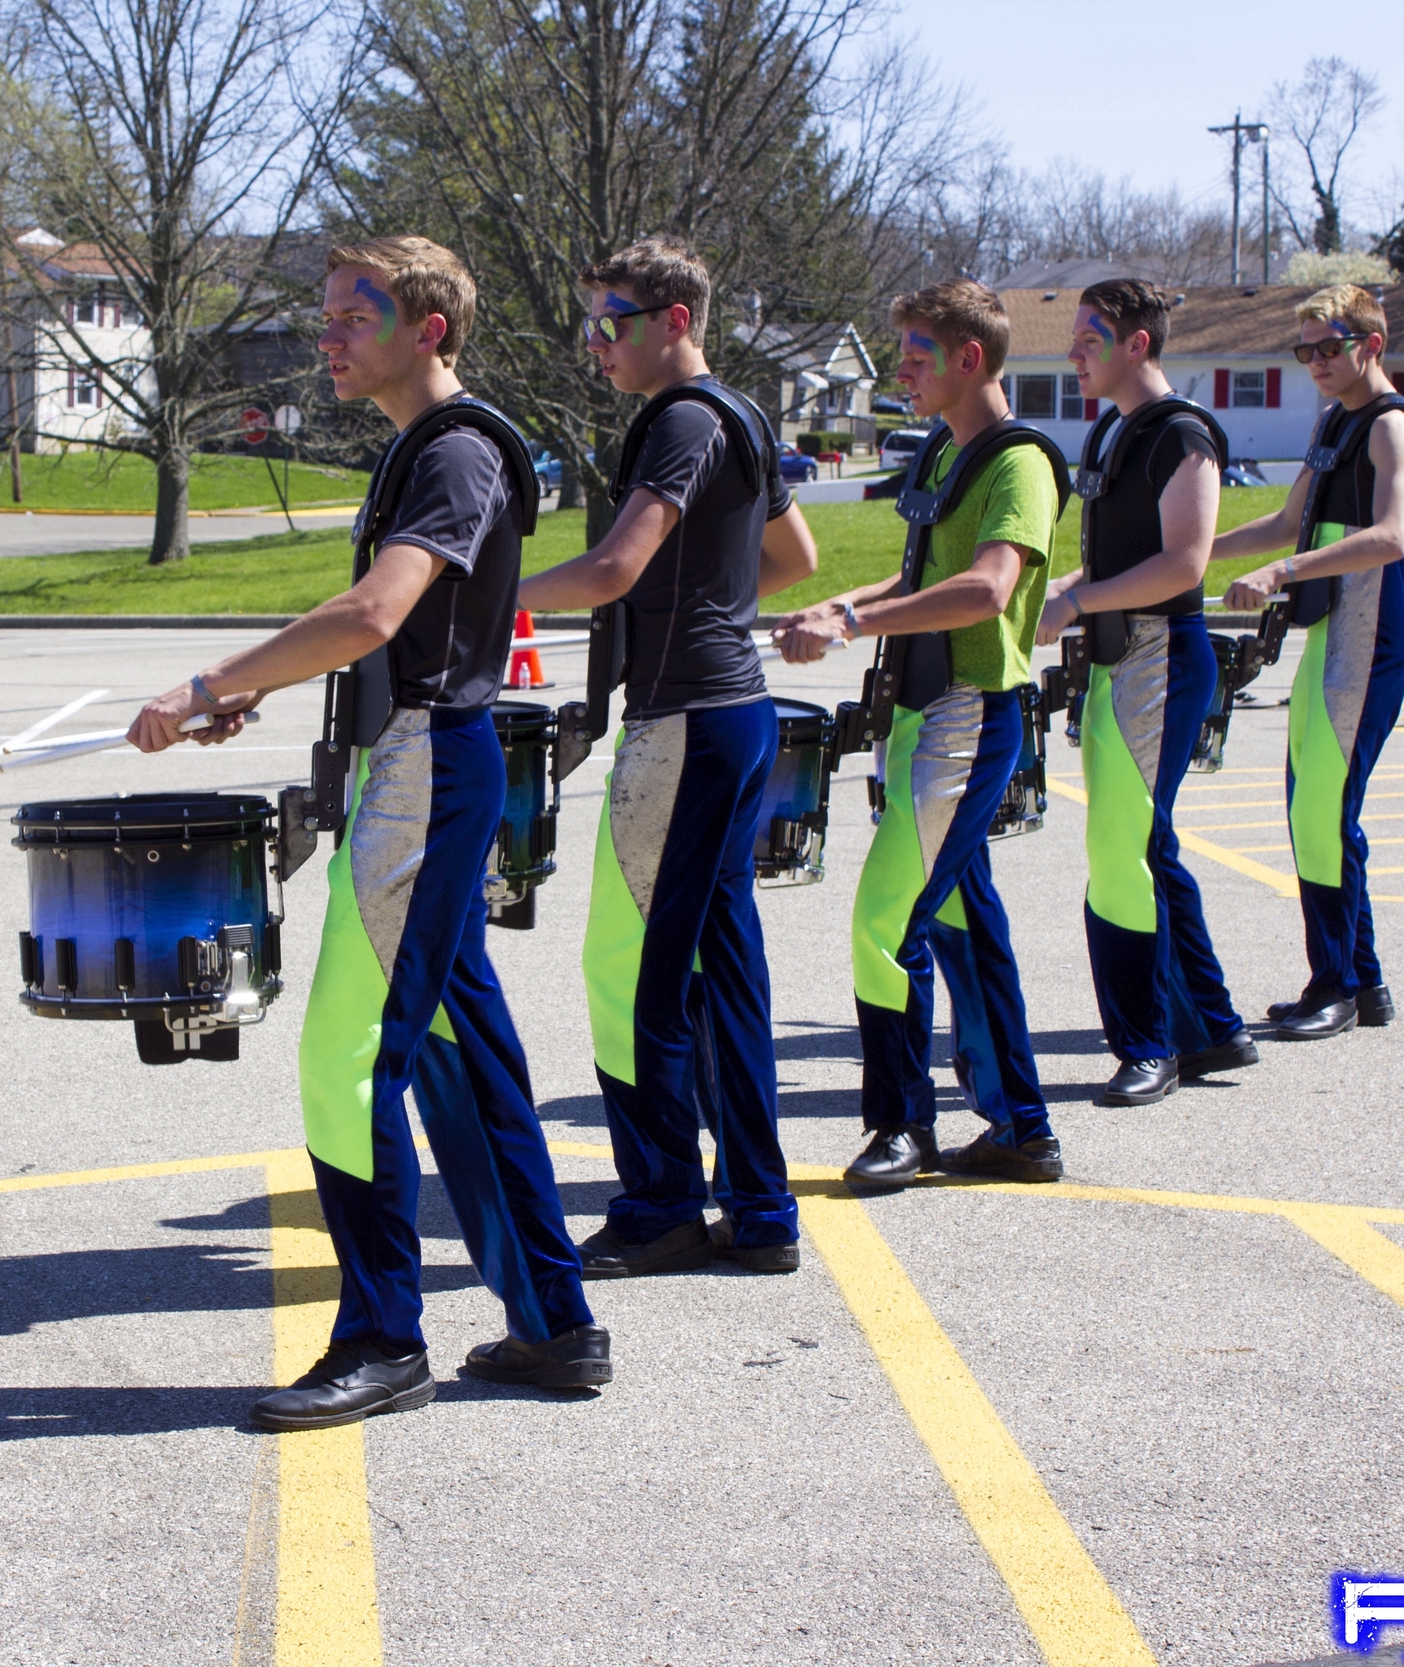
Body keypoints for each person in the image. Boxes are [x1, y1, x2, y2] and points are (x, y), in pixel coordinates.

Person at [128, 235, 603, 1430]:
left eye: (356, 313)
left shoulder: (457, 447)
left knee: (344, 1059)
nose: (329, 333)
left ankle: (383, 1333)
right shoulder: (422, 451)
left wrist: (205, 681)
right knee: (466, 1059)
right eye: (328, 313)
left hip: (427, 778)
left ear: (428, 328)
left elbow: (375, 609)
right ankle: (553, 1323)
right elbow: (390, 633)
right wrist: (262, 689)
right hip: (423, 768)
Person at [514, 235, 817, 1277]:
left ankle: (659, 1205)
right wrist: (723, 616)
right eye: (591, 323)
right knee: (721, 971)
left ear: (673, 320)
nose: (596, 344)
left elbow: (613, 566)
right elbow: (795, 557)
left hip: (687, 721)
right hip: (731, 709)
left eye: (613, 322)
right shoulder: (742, 412)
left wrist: (478, 592)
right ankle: (760, 1208)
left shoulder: (681, 420)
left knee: (632, 966)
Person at [771, 279, 1065, 1187]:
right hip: (923, 717)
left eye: (915, 356)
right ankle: (1021, 1127)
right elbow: (915, 581)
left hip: (968, 717)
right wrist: (842, 603)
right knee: (966, 929)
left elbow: (986, 587)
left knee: (884, 923)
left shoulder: (1019, 464)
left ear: (969, 359)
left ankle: (904, 1122)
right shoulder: (945, 452)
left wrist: (852, 627)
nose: (900, 369)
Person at [1036, 279, 1257, 1105]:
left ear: (1137, 344)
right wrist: (1051, 594)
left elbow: (1183, 565)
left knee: (1119, 855)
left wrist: (1078, 601)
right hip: (1119, 660)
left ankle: (1147, 1044)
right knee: (1149, 847)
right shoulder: (1112, 433)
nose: (1074, 353)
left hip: (1164, 658)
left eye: (1091, 337)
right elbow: (1114, 560)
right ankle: (1214, 1028)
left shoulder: (1183, 435)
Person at [1217, 284, 1404, 1037]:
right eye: (1304, 349)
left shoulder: (1393, 428)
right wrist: (1191, 554)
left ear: (1370, 344)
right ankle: (1359, 982)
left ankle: (1337, 987)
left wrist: (1284, 572)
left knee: (1324, 810)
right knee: (1314, 811)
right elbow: (1289, 520)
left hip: (1370, 639)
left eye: (1328, 346)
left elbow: (1391, 535)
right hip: (1329, 637)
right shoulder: (1332, 420)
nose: (1315, 361)